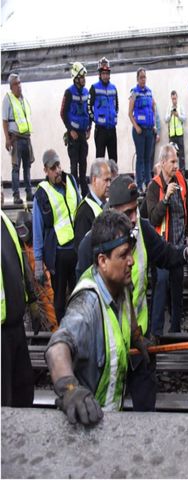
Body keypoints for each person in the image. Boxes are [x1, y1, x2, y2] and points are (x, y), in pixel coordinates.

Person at [76, 175, 188, 411]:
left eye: (135, 210)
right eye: (127, 214)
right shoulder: (91, 244)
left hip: (139, 341)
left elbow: (167, 256)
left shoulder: (143, 231)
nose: (134, 219)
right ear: (112, 211)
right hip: (107, 347)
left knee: (145, 410)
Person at [45, 210, 152, 425]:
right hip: (88, 423)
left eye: (130, 253)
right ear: (102, 261)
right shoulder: (88, 303)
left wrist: (136, 336)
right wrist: (70, 389)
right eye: (123, 255)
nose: (131, 261)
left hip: (109, 419)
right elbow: (57, 347)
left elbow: (127, 307)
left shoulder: (120, 284)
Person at [146, 144, 188, 335]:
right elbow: (152, 219)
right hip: (161, 249)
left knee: (177, 287)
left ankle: (175, 330)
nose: (176, 165)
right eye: (173, 161)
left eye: (178, 161)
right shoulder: (153, 187)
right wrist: (165, 198)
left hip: (179, 246)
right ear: (163, 162)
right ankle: (156, 332)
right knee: (161, 286)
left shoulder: (182, 180)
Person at [33, 149, 80, 323]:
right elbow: (37, 230)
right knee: (59, 300)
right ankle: (62, 336)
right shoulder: (42, 194)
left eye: (58, 165)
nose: (58, 170)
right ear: (46, 170)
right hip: (58, 255)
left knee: (79, 295)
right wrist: (38, 261)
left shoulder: (71, 181)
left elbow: (81, 210)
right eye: (53, 168)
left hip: (75, 250)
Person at [1, 210, 41, 407]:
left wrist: (32, 300)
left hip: (16, 327)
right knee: (4, 399)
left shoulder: (6, 222)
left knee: (23, 391)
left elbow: (22, 263)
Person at [60, 62, 91, 197]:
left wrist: (89, 127)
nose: (84, 79)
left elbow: (89, 111)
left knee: (83, 165)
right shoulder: (69, 92)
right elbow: (63, 113)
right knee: (74, 167)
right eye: (82, 77)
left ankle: (84, 193)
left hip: (83, 134)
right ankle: (74, 193)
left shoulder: (86, 92)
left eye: (84, 77)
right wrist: (70, 130)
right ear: (76, 78)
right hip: (73, 135)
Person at [2, 73, 34, 204]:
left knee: (27, 167)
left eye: (19, 83)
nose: (19, 86)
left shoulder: (23, 99)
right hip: (15, 138)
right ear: (11, 86)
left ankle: (29, 193)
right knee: (16, 168)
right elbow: (4, 121)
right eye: (16, 84)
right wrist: (7, 139)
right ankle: (16, 195)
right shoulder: (8, 99)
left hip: (26, 138)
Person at [128, 68, 156, 193]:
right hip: (139, 131)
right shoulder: (134, 92)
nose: (143, 79)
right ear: (137, 79)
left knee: (147, 158)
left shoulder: (149, 92)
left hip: (149, 130)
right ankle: (139, 185)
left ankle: (148, 183)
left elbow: (153, 107)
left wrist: (154, 124)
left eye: (144, 77)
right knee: (140, 158)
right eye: (141, 77)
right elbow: (130, 113)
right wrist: (136, 126)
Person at [73, 159, 111, 252]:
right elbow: (81, 251)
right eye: (106, 180)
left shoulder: (107, 205)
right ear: (94, 180)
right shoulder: (84, 212)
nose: (109, 184)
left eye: (110, 180)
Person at [88, 57, 118, 162]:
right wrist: (95, 119)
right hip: (100, 130)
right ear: (99, 75)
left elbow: (116, 107)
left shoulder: (113, 88)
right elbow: (88, 108)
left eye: (107, 73)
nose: (105, 76)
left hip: (112, 129)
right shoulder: (94, 88)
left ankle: (114, 178)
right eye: (103, 73)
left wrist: (113, 117)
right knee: (100, 160)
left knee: (113, 160)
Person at [165, 90, 186, 173]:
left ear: (177, 98)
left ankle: (182, 172)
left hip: (179, 134)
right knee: (171, 154)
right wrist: (170, 114)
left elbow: (184, 118)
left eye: (175, 98)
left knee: (181, 154)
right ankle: (172, 171)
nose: (174, 100)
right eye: (172, 98)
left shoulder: (180, 107)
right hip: (172, 135)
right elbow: (166, 119)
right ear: (171, 98)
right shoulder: (168, 108)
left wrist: (178, 115)